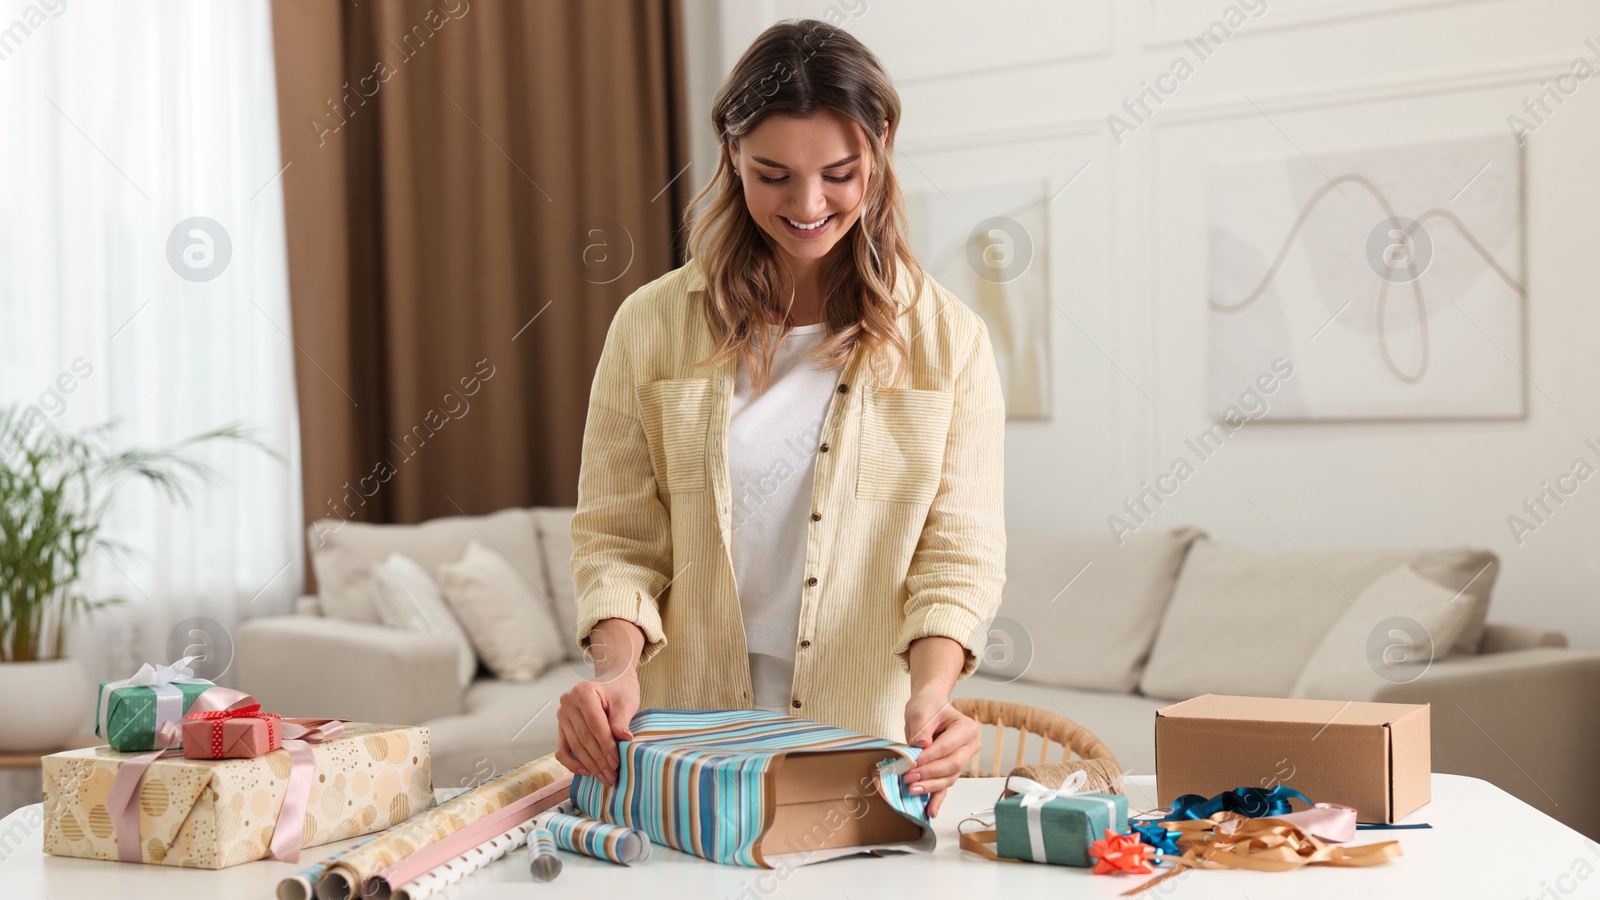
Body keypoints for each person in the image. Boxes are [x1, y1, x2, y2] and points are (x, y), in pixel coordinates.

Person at [554, 19, 1006, 820]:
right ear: (731, 152)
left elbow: (956, 556)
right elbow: (618, 539)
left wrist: (934, 692)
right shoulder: (650, 326)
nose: (807, 206)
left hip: (857, 760)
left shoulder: (950, 342)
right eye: (773, 174)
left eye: (840, 173)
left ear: (883, 144)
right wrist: (614, 668)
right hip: (678, 755)